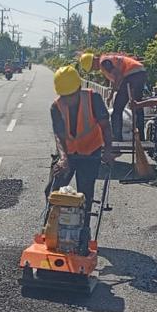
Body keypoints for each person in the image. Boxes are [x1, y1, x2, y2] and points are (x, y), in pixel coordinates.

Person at [50, 65, 117, 255]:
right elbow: (59, 136)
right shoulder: (56, 106)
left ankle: (82, 235)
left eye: (70, 95)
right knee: (53, 189)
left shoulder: (93, 99)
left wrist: (108, 150)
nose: (67, 100)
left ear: (78, 89)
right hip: (68, 153)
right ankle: (53, 229)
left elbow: (105, 126)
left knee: (85, 195)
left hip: (90, 152)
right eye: (63, 96)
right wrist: (63, 159)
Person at [80, 52, 148, 142]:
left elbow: (118, 76)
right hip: (140, 72)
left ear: (93, 61)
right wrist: (111, 95)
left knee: (117, 110)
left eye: (92, 68)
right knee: (137, 106)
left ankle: (117, 138)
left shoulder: (104, 62)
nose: (94, 70)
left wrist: (114, 91)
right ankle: (141, 137)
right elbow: (115, 78)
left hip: (131, 75)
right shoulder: (106, 61)